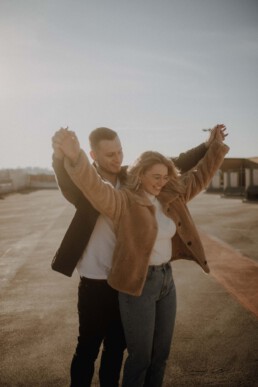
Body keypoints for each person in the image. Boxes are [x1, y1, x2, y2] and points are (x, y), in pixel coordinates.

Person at [53, 125, 229, 387]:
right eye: (110, 154)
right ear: (93, 155)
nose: (118, 158)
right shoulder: (94, 189)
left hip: (130, 279)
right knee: (88, 348)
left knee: (116, 349)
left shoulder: (132, 180)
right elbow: (77, 180)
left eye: (120, 151)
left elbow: (174, 165)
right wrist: (63, 156)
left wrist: (208, 147)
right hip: (95, 278)